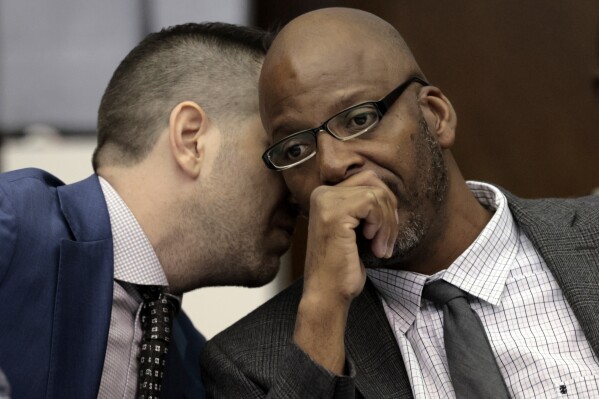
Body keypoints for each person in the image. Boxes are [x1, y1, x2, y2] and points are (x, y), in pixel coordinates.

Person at [201, 8, 599, 398]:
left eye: (358, 120)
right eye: (296, 148)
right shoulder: (250, 364)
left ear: (435, 115)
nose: (333, 165)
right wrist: (324, 311)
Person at [0, 22, 296, 399]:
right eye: (282, 151)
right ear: (191, 140)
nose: (300, 191)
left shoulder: (197, 367)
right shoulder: (11, 222)